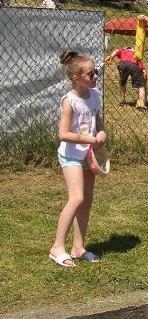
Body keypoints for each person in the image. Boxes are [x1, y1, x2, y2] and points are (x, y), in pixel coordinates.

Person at [49, 51, 108, 268]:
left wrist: (101, 133)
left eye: (96, 72)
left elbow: (96, 119)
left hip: (88, 155)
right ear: (76, 77)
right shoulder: (69, 100)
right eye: (91, 74)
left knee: (86, 202)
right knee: (76, 197)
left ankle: (78, 247)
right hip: (71, 155)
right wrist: (89, 138)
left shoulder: (94, 95)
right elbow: (63, 134)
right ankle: (56, 247)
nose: (96, 77)